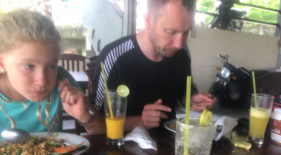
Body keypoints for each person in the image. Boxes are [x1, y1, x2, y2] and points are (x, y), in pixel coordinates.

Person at [91, 0, 216, 131]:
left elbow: (184, 92)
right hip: (121, 147)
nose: (179, 44)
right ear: (149, 21)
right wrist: (139, 121)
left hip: (169, 144)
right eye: (171, 32)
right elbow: (94, 124)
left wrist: (191, 99)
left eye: (185, 33)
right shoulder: (115, 56)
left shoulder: (182, 53)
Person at [0, 9, 105, 135]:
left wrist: (84, 116)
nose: (42, 81)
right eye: (29, 66)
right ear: (2, 62)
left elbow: (103, 134)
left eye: (51, 66)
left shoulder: (61, 78)